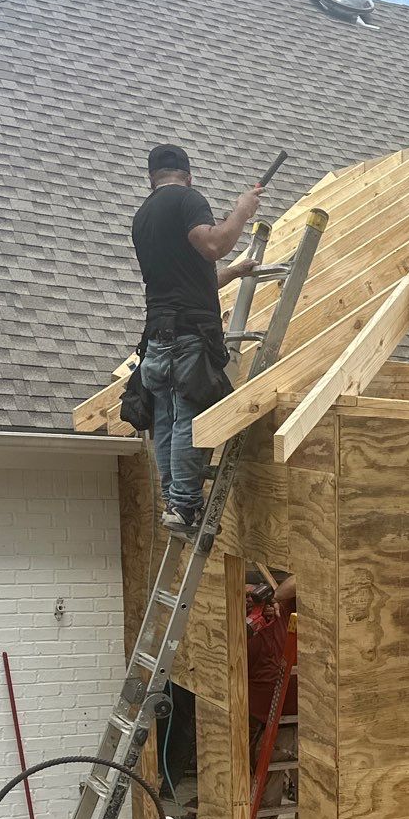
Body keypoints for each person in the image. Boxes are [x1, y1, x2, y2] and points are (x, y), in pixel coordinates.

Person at [132, 143, 264, 536]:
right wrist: (242, 210)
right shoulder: (188, 199)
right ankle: (187, 506)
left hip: (157, 337)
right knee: (190, 417)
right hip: (189, 337)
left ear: (150, 178)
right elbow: (213, 245)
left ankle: (174, 501)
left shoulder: (143, 217)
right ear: (187, 175)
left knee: (167, 420)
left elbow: (188, 280)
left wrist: (235, 272)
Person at [246, 571, 297, 819]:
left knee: (301, 778)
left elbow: (299, 579)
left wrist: (275, 597)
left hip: (294, 713)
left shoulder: (283, 610)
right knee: (265, 782)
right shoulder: (245, 629)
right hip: (260, 714)